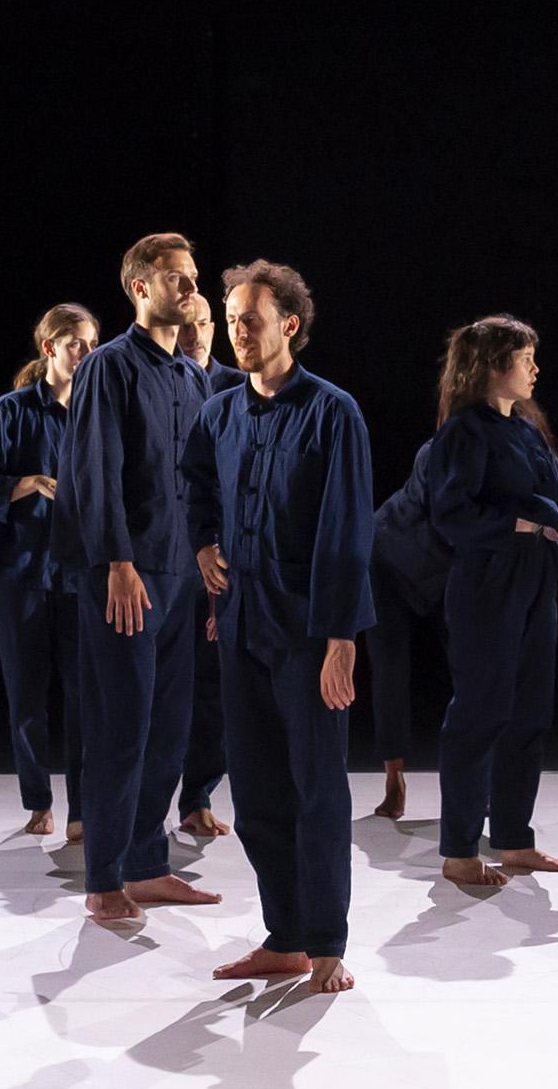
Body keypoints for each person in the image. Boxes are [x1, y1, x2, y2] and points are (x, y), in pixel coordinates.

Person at [185, 260, 378, 991]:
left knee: (316, 788)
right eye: (232, 319)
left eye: (251, 319)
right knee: (258, 793)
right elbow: (195, 484)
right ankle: (286, 934)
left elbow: (346, 531)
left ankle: (325, 943)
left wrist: (340, 640)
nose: (237, 331)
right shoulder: (219, 412)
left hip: (307, 633)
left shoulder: (333, 412)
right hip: (241, 625)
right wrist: (203, 544)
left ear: (288, 325)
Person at [52, 232, 224, 923]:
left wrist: (210, 566)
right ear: (140, 287)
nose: (190, 287)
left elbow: (204, 481)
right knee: (121, 724)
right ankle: (103, 878)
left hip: (182, 573)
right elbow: (91, 469)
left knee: (170, 726)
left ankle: (148, 865)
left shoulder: (192, 375)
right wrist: (116, 562)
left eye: (193, 277)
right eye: (177, 277)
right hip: (128, 573)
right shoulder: (109, 366)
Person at [424, 315, 558, 890]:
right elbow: (451, 514)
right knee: (481, 711)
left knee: (529, 710)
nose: (535, 369)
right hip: (488, 582)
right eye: (524, 359)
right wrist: (522, 519)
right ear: (493, 366)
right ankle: (459, 850)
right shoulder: (464, 432)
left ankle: (514, 838)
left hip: (536, 576)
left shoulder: (526, 428)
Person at [0, 302, 97, 837]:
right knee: (26, 695)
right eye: (75, 343)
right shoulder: (11, 411)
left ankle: (83, 808)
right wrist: (29, 483)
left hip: (79, 572)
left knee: (85, 696)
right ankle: (38, 800)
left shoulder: (98, 410)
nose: (86, 353)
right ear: (50, 348)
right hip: (20, 571)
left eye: (92, 344)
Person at [360, 426, 451, 822]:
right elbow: (451, 517)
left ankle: (474, 779)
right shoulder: (437, 451)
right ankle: (393, 780)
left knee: (472, 670)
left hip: (443, 571)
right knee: (390, 670)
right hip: (387, 559)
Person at [176, 286, 239, 843]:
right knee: (161, 684)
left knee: (213, 686)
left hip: (217, 557)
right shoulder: (154, 381)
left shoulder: (238, 388)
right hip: (162, 557)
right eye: (185, 323)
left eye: (202, 323)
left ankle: (197, 795)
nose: (193, 333)